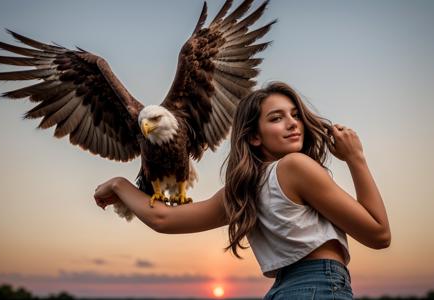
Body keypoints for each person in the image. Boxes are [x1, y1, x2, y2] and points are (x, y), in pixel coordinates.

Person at [93, 81, 391, 299]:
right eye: (276, 118)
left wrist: (120, 185)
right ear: (255, 138)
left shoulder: (243, 188)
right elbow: (378, 234)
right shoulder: (296, 166)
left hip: (282, 291)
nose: (292, 123)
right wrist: (356, 158)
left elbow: (165, 220)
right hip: (319, 287)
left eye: (295, 114)